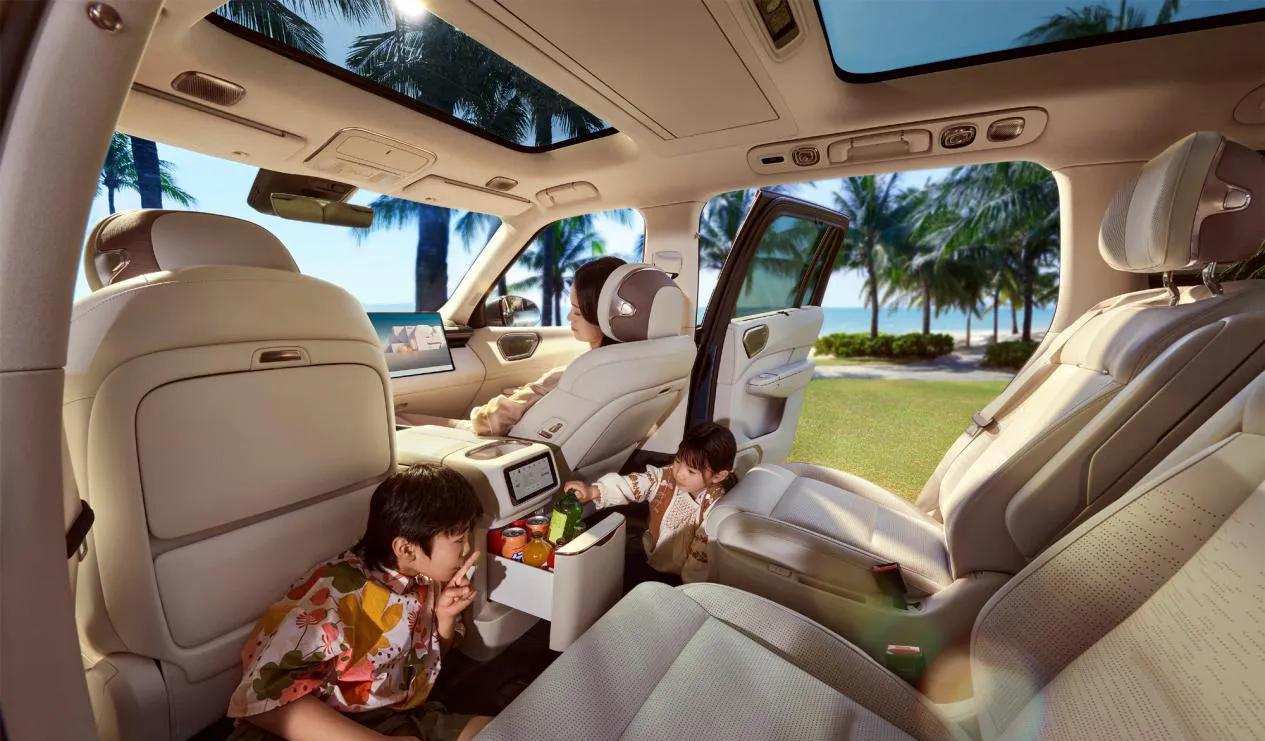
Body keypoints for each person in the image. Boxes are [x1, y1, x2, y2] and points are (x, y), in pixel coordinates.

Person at [225, 464, 491, 741]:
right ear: (406, 549)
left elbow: (426, 663)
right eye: (459, 539)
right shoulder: (335, 596)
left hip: (391, 713)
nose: (468, 549)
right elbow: (262, 698)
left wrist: (445, 617)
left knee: (496, 730)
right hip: (327, 723)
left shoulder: (426, 579)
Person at [398, 256, 626, 436]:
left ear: (601, 314)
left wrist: (485, 411)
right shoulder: (633, 365)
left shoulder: (573, 376)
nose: (568, 317)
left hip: (507, 443)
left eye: (576, 311)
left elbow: (489, 422)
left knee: (398, 422)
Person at [563, 422, 737, 583]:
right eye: (677, 461)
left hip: (686, 578)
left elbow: (700, 561)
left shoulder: (714, 505)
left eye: (691, 471)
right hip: (653, 559)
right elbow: (633, 484)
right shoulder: (664, 478)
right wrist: (593, 491)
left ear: (718, 476)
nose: (679, 473)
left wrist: (688, 589)